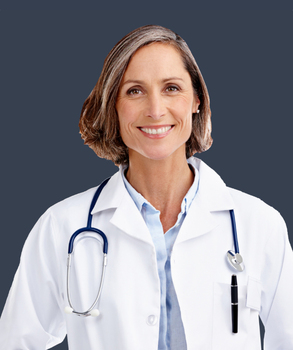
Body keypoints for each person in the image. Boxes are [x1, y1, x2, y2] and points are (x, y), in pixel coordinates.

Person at [0, 24, 292, 350]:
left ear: (196, 100)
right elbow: (15, 342)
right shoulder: (62, 227)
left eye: (171, 88)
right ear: (114, 105)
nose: (155, 110)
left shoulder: (258, 223)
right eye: (134, 91)